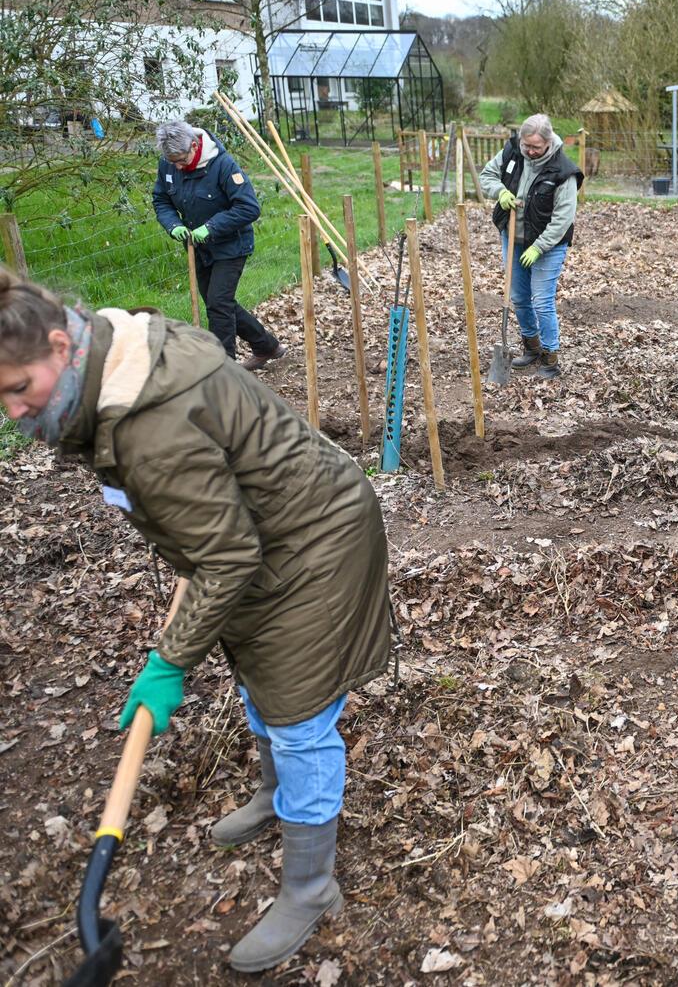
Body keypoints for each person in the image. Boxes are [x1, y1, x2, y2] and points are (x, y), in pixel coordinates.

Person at [0, 272, 390, 972]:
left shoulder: (148, 424)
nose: (13, 411)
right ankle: (276, 795)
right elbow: (218, 537)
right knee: (258, 677)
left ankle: (310, 886)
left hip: (313, 543)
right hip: (268, 534)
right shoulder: (112, 349)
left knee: (300, 715)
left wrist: (170, 662)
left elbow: (227, 557)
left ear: (60, 343)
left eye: (17, 387)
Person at [151, 119, 286, 371]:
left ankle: (224, 369)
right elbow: (161, 200)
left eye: (181, 160)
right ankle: (266, 345)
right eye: (173, 162)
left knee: (218, 304)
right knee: (219, 302)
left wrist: (211, 227)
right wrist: (173, 225)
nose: (178, 167)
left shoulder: (222, 165)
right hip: (197, 248)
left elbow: (249, 207)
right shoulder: (168, 164)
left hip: (231, 244)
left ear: (194, 145)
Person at [479, 113, 584, 380]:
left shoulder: (563, 171)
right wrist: (500, 192)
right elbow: (487, 175)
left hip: (548, 244)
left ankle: (551, 356)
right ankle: (532, 347)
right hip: (513, 236)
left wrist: (539, 247)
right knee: (519, 297)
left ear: (548, 142)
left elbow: (563, 218)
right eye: (527, 145)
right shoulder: (513, 151)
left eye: (535, 147)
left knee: (542, 301)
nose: (530, 151)